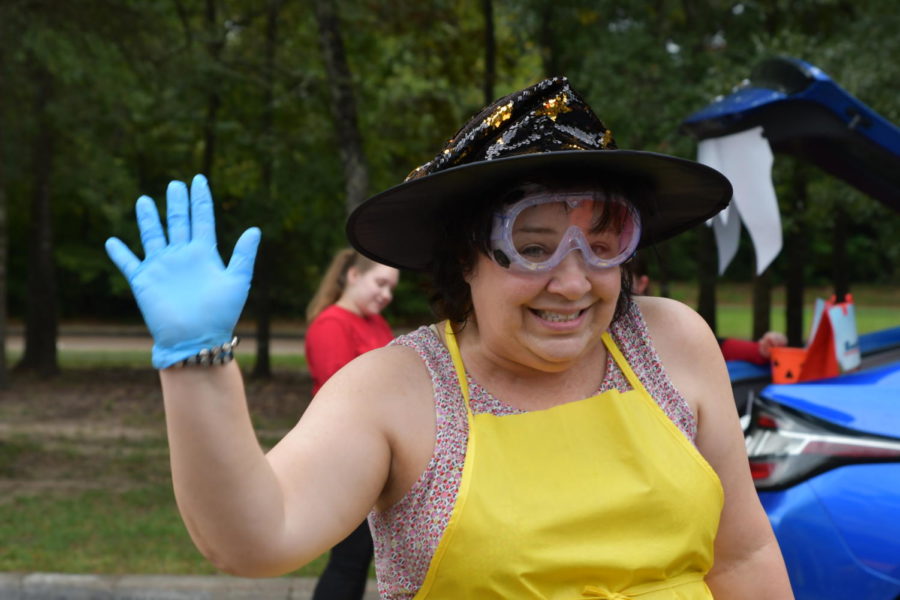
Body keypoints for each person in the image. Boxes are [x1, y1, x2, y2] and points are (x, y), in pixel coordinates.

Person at [105, 77, 794, 598]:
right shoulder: (397, 391)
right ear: (465, 258)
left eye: (603, 245)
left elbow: (740, 556)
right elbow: (256, 537)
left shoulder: (672, 343)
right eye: (533, 247)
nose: (574, 282)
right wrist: (196, 361)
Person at [304, 248, 398, 599]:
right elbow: (340, 401)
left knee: (361, 557)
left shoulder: (373, 321)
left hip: (376, 455)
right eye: (381, 283)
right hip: (345, 459)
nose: (386, 295)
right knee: (349, 559)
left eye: (391, 289)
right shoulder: (331, 324)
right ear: (354, 276)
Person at [629, 251, 788, 365]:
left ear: (642, 283)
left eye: (625, 279)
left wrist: (764, 348)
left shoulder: (666, 327)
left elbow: (718, 348)